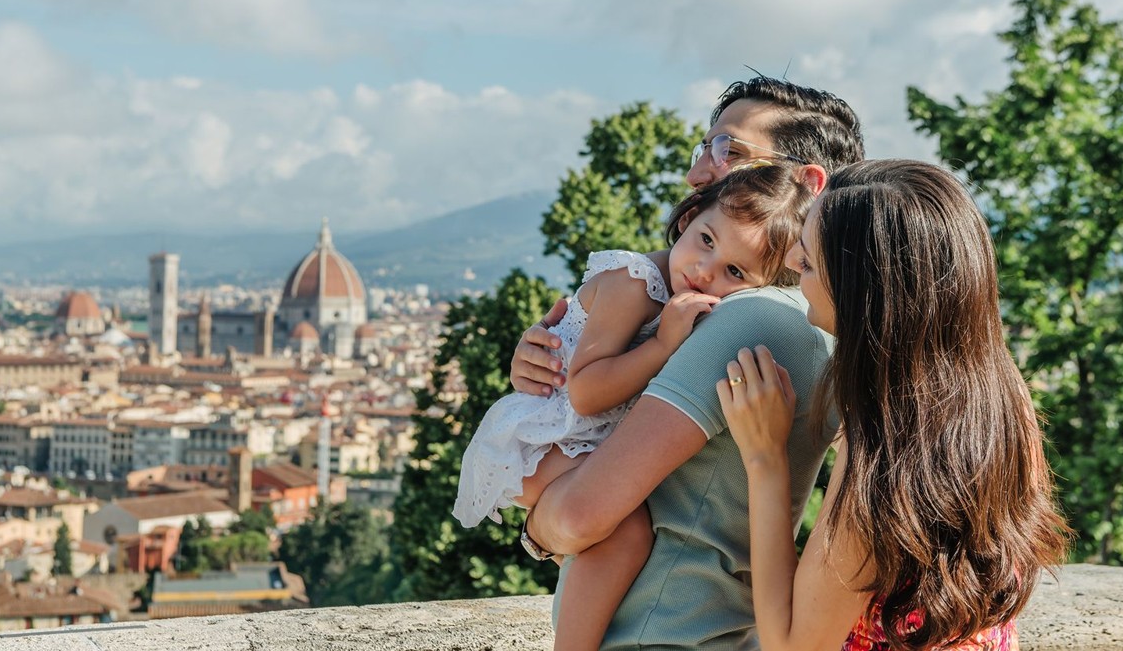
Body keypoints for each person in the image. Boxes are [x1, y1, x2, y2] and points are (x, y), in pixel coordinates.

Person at [518, 76, 866, 649]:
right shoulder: (807, 319)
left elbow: (581, 515)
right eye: (704, 147)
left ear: (805, 182)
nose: (698, 173)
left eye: (729, 151)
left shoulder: (751, 321)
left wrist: (537, 523)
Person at [455, 161, 814, 651]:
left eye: (734, 271)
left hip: (580, 436)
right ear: (687, 219)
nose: (704, 272)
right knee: (624, 534)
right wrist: (663, 347)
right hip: (549, 434)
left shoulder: (727, 310)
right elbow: (584, 391)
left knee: (615, 537)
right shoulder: (636, 282)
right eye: (706, 241)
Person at [718, 160, 1070, 651]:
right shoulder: (1002, 402)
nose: (794, 259)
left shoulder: (885, 459)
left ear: (866, 296)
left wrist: (764, 458)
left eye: (812, 261)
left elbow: (793, 646)